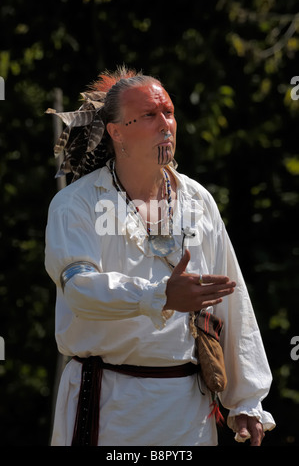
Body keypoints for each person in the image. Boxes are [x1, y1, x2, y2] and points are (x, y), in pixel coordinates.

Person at [45, 66, 275, 446]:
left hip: (189, 411)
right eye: (149, 115)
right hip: (108, 406)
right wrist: (160, 295)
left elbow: (232, 299)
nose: (165, 124)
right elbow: (80, 290)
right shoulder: (76, 204)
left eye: (168, 112)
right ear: (116, 132)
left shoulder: (198, 200)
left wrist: (247, 400)